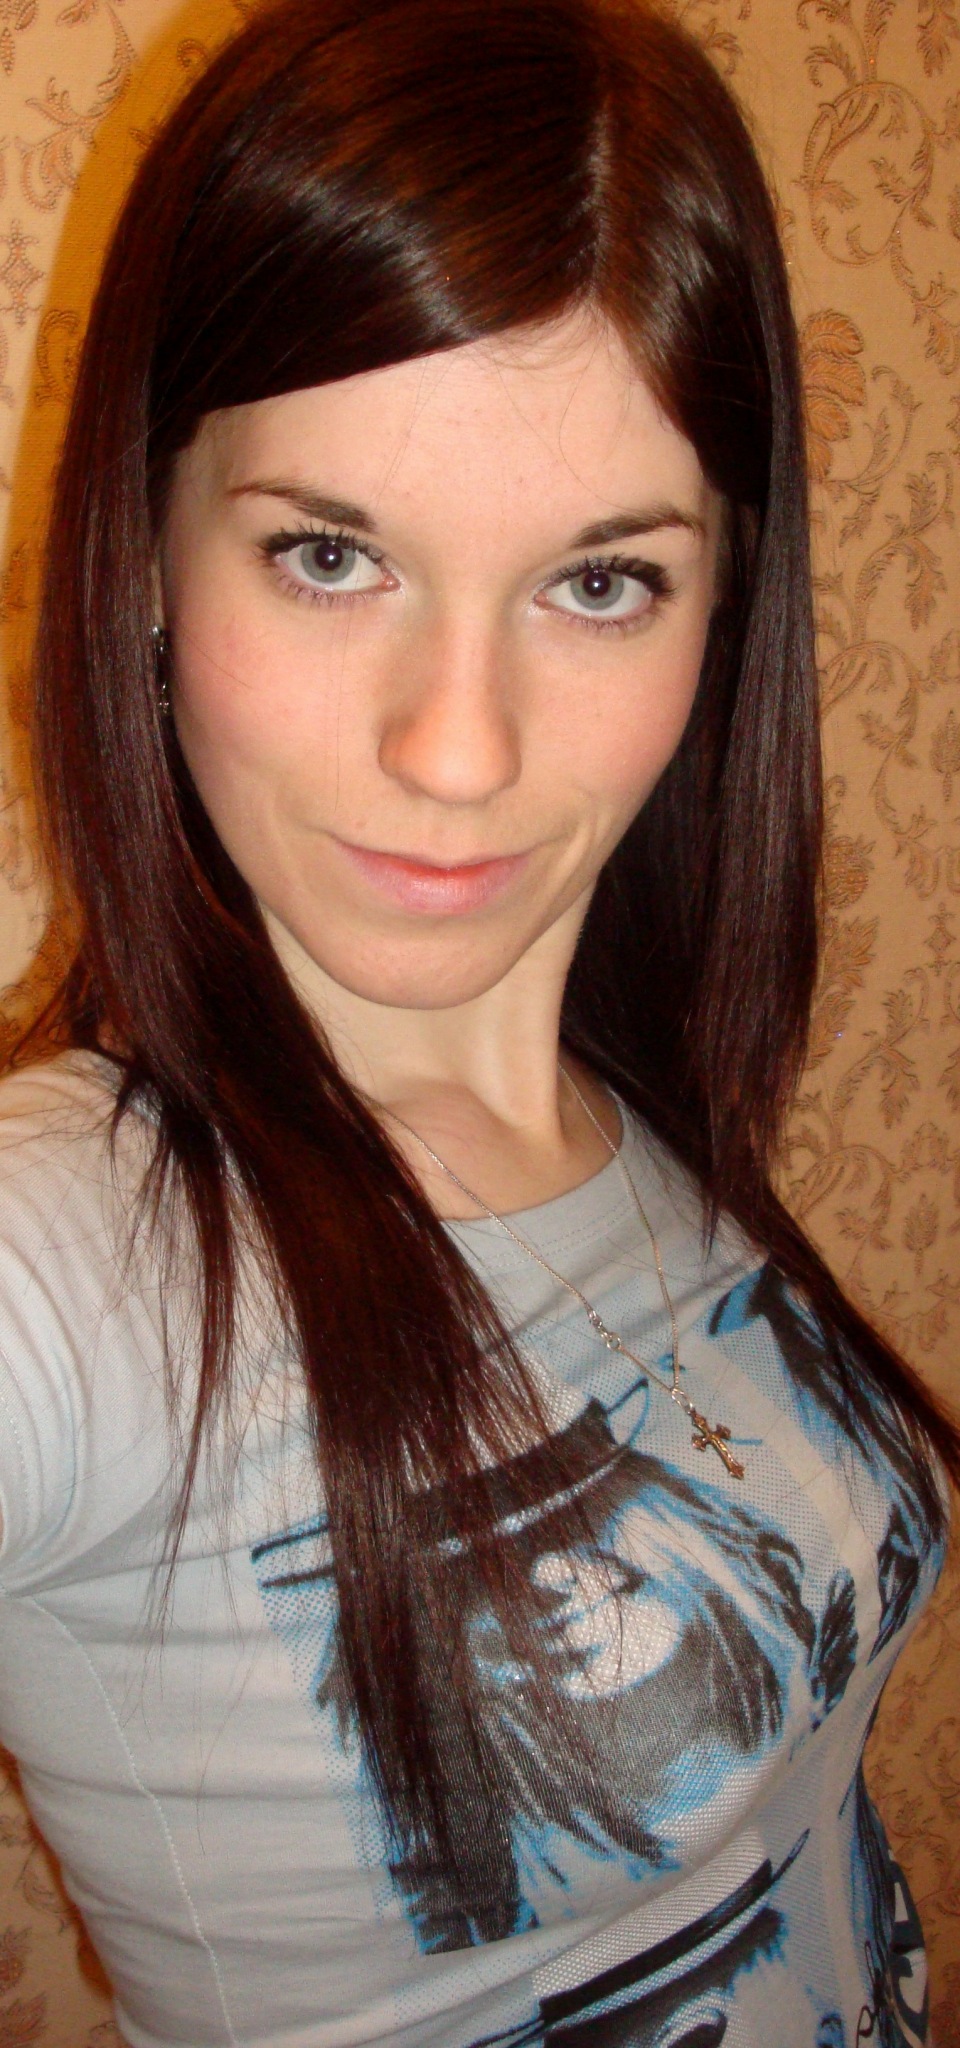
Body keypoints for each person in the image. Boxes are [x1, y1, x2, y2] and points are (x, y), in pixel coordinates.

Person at [0, 0, 955, 2042]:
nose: (460, 751)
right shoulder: (66, 1260)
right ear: (144, 553)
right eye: (328, 555)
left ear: (725, 603)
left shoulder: (641, 1098)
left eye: (599, 583)